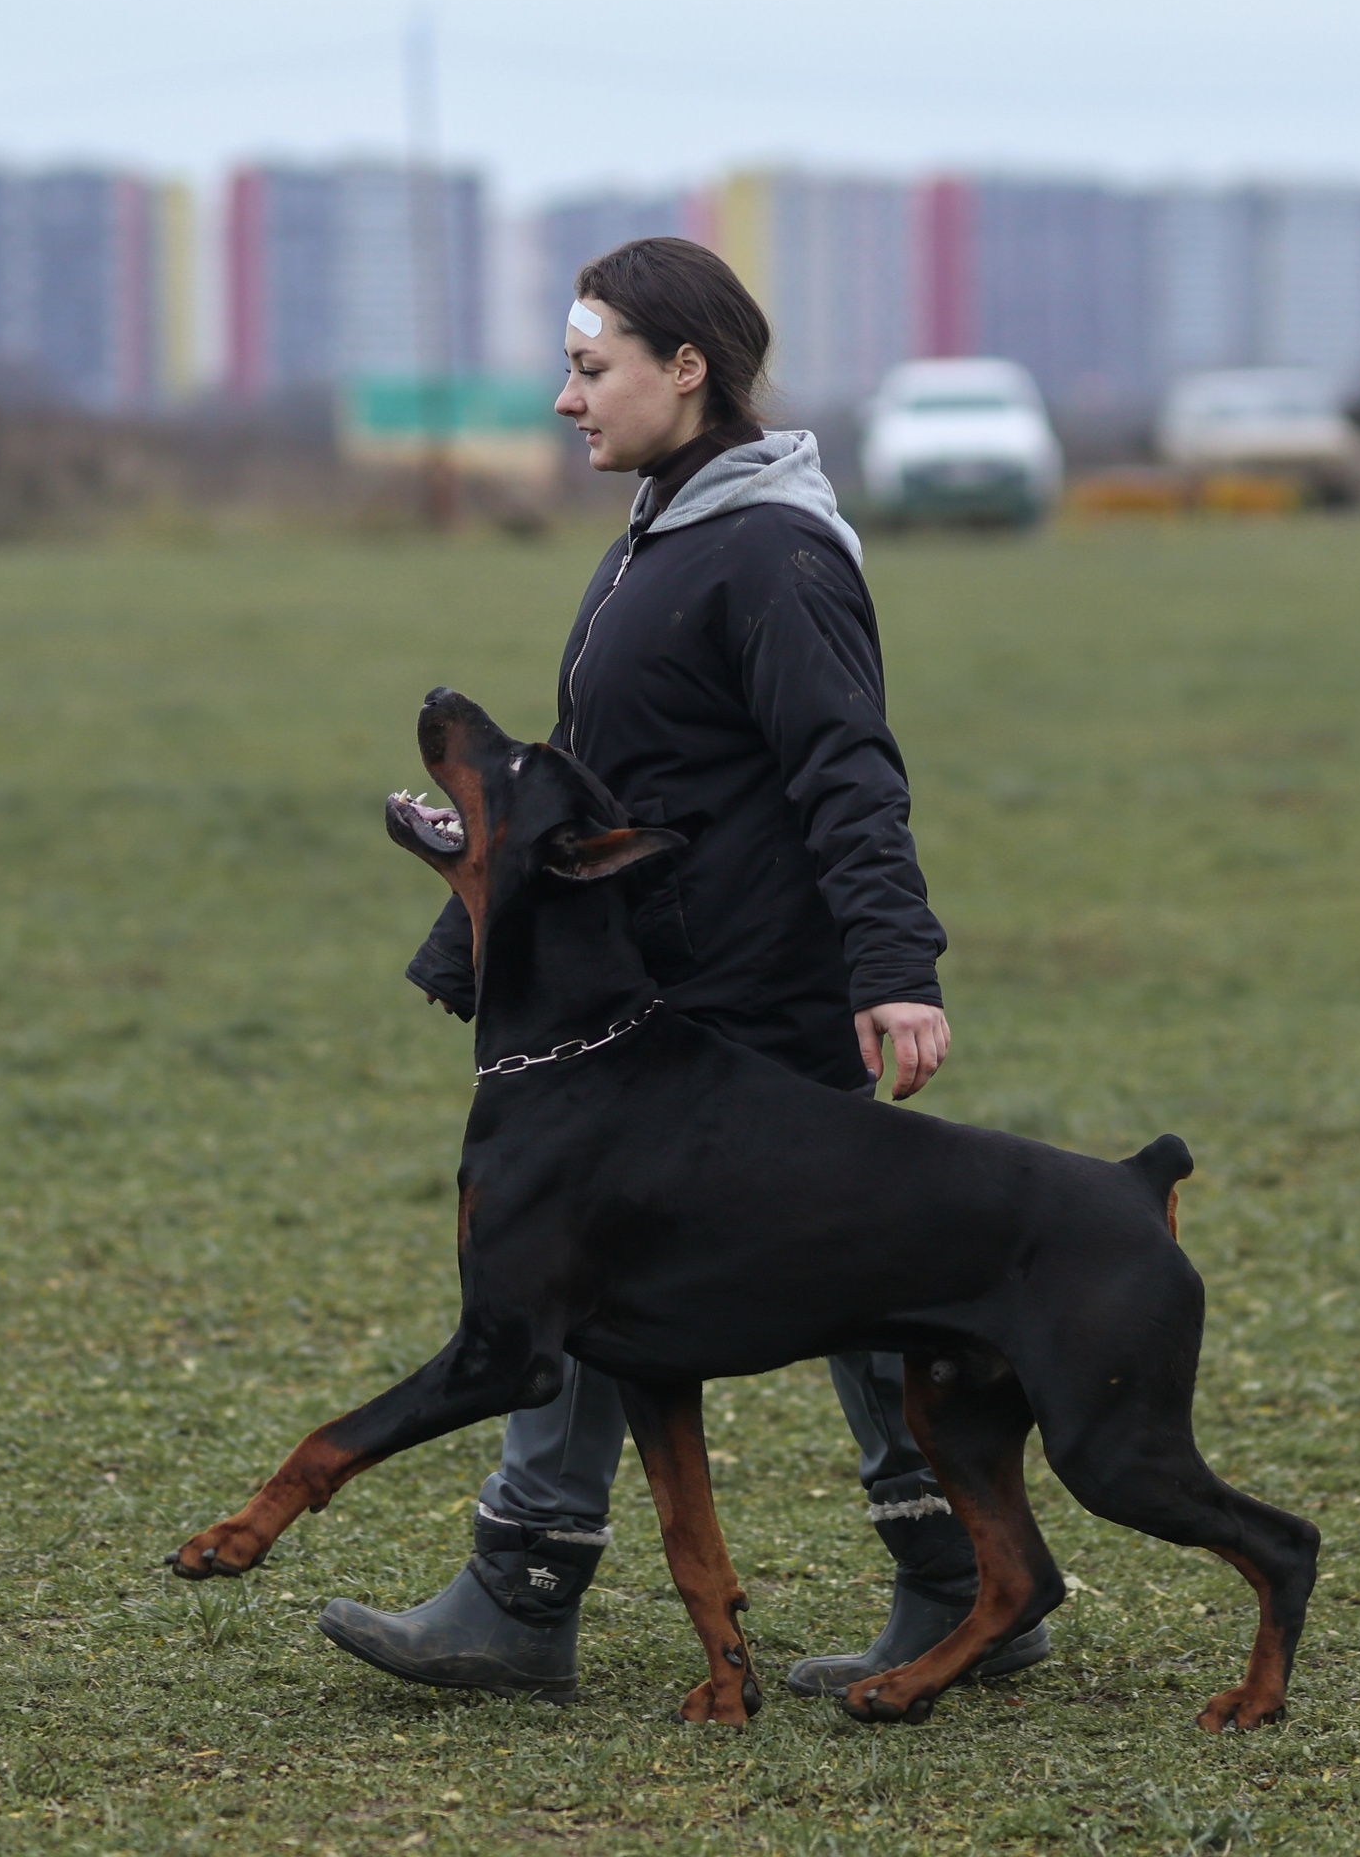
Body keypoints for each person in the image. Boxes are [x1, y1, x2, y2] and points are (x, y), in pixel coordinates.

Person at [315, 237, 1053, 1704]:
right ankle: (932, 1585)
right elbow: (603, 780)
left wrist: (895, 967)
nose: (565, 399)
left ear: (687, 369)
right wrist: (478, 929)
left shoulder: (771, 551)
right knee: (669, 1281)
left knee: (847, 1286)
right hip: (653, 997)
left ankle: (540, 1601)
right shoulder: (673, 529)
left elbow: (849, 769)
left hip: (752, 1004)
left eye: (591, 370)